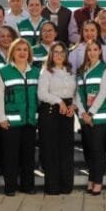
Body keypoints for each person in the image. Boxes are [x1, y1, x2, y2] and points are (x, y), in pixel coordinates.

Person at [0, 38, 40, 196]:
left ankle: (28, 186)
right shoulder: (4, 72)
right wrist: (1, 118)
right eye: (18, 49)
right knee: (10, 156)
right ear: (12, 53)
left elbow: (39, 96)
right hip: (10, 122)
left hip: (29, 121)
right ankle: (10, 187)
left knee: (28, 156)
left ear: (29, 53)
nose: (22, 52)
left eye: (25, 50)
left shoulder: (36, 72)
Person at [38, 42, 77, 195]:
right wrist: (59, 101)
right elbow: (42, 94)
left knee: (66, 149)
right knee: (51, 149)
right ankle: (52, 186)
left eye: (62, 52)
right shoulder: (46, 71)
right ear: (51, 55)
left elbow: (76, 91)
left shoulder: (71, 71)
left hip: (67, 112)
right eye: (56, 52)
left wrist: (74, 105)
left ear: (66, 54)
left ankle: (66, 186)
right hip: (50, 111)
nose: (59, 55)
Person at [75, 40, 106, 195]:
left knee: (98, 151)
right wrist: (82, 113)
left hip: (99, 118)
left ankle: (98, 181)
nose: (92, 52)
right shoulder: (81, 70)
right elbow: (77, 94)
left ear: (100, 51)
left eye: (95, 49)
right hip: (84, 118)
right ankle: (91, 178)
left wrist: (91, 113)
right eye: (89, 50)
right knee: (88, 151)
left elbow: (103, 93)